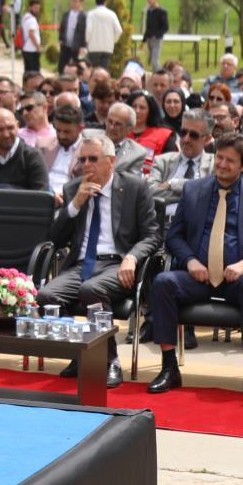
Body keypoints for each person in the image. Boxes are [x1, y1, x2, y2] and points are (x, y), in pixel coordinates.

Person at [147, 133, 243, 400]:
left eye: (230, 161)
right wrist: (190, 260)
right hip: (197, 275)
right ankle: (169, 367)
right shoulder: (193, 190)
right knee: (163, 283)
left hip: (238, 277)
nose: (222, 164)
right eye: (219, 158)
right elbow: (174, 236)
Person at [40, 136, 162, 388]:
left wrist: (132, 257)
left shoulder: (134, 187)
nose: (86, 165)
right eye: (82, 159)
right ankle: (79, 353)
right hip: (81, 264)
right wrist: (75, 205)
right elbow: (55, 238)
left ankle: (110, 361)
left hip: (118, 264)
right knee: (46, 296)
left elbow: (152, 235)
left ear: (111, 161)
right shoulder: (74, 188)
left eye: (93, 159)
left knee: (91, 290)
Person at [0, 107, 51, 192]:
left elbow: (41, 195)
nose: (6, 134)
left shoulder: (33, 157)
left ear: (18, 126)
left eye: (10, 128)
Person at [84, 0, 120, 71]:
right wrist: (114, 40)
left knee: (93, 70)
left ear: (95, 2)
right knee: (104, 70)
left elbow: (89, 29)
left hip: (93, 46)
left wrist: (87, 41)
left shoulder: (91, 14)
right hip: (108, 46)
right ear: (105, 2)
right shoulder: (112, 14)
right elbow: (119, 30)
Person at [17, 0, 43, 77]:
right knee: (35, 73)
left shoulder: (25, 17)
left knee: (27, 71)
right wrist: (37, 46)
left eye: (38, 8)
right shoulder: (32, 19)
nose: (37, 10)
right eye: (35, 8)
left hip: (25, 48)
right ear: (30, 7)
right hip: (32, 49)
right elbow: (31, 34)